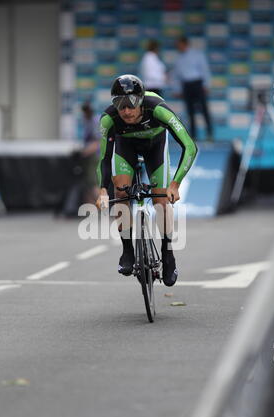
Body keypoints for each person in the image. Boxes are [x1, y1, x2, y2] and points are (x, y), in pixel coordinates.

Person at [96, 74, 197, 287]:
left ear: (141, 100)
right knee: (121, 192)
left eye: (131, 104)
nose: (126, 111)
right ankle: (127, 251)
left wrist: (174, 185)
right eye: (120, 105)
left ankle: (168, 255)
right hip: (126, 147)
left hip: (155, 146)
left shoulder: (158, 109)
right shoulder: (109, 119)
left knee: (161, 201)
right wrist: (102, 191)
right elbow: (105, 157)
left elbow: (190, 146)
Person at [172, 36, 213, 141]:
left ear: (185, 44)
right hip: (186, 86)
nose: (178, 47)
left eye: (179, 44)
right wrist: (177, 90)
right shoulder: (178, 59)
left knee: (204, 110)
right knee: (190, 112)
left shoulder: (197, 54)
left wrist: (206, 85)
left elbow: (205, 70)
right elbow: (176, 76)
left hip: (197, 84)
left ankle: (210, 134)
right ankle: (193, 136)